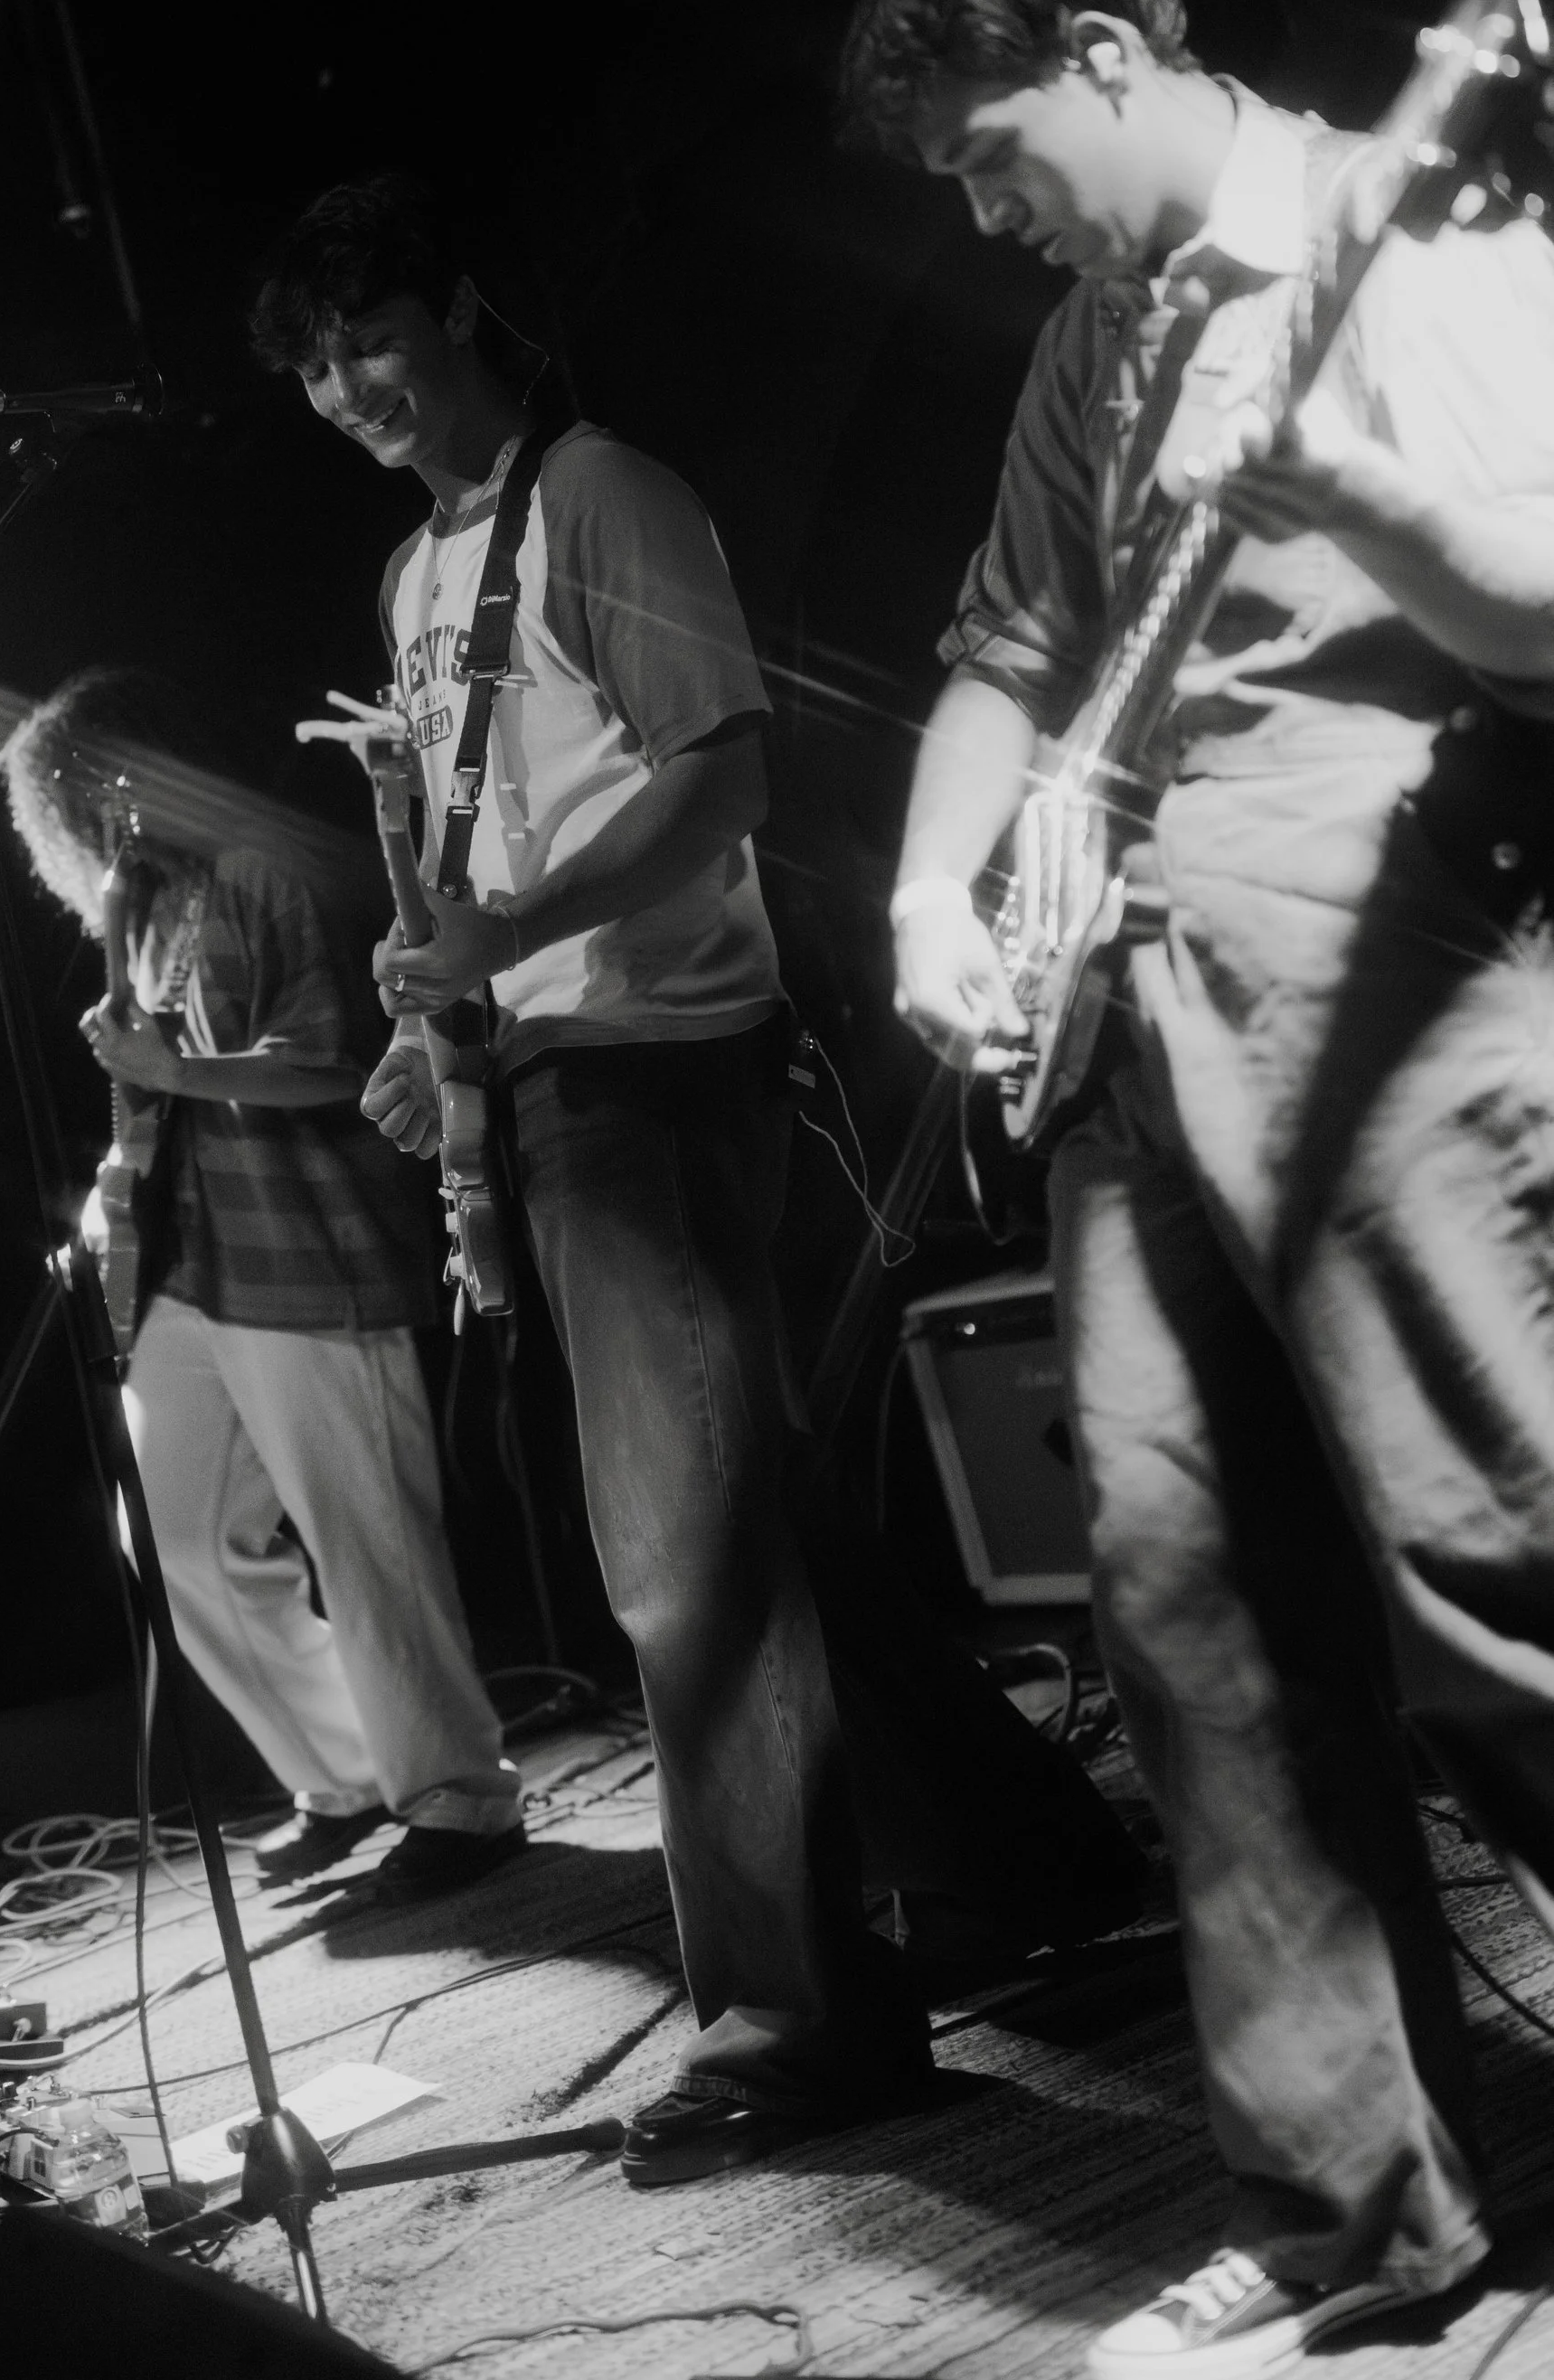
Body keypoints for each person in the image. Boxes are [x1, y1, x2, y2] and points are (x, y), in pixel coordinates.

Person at [843, 0, 1554, 2380]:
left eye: (985, 136)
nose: (974, 192)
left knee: (1499, 1568)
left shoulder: (1407, 213)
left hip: (1380, 972)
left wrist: (1342, 495)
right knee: (1181, 1601)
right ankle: (1347, 2192)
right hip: (1127, 1031)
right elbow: (1004, 651)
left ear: (1112, 52)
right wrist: (937, 885)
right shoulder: (1087, 341)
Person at [250, 172, 1142, 2189]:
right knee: (754, 1524)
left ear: (462, 306)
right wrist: (442, 1015)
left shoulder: (604, 495)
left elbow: (719, 778)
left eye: (368, 339)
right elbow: (490, 861)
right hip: (560, 1070)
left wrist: (503, 947)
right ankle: (1024, 1858)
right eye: (312, 369)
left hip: (662, 1074)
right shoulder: (416, 574)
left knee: (685, 1564)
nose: (345, 388)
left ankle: (806, 2018)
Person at [0, 668, 523, 1896]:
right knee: (171, 1530)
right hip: (188, 1259)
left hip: (306, 1245)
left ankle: (461, 1797)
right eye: (80, 796)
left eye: (115, 778)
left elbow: (337, 1063)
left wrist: (162, 1064)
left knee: (369, 1537)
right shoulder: (151, 903)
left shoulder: (259, 870)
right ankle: (343, 1772)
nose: (105, 812)